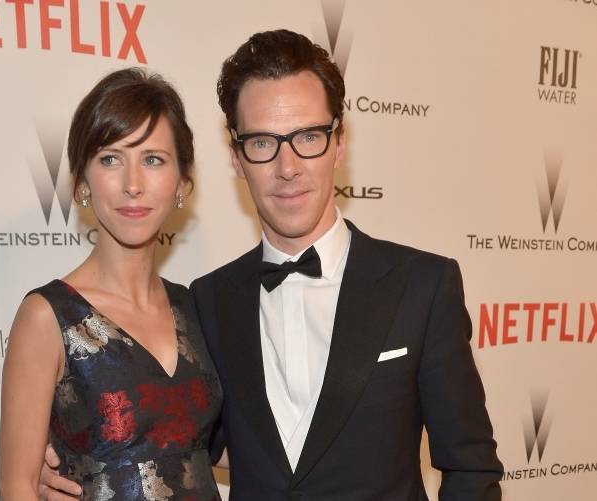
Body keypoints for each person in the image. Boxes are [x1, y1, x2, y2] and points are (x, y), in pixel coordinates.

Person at [39, 29, 504, 500]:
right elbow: (179, 437)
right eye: (263, 142)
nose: (288, 167)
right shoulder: (206, 302)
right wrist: (71, 463)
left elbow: (471, 469)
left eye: (308, 137)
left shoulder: (422, 286)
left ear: (340, 143)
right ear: (237, 158)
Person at [0, 68, 222, 501]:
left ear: (182, 182)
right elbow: (18, 488)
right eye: (110, 159)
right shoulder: (48, 317)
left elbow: (226, 445)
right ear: (82, 182)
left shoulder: (193, 307)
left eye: (153, 160)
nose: (133, 185)